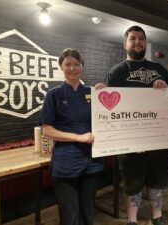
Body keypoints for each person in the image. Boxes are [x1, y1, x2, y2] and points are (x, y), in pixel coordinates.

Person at [104, 25, 168, 225]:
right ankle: (132, 220)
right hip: (131, 143)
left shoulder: (159, 69)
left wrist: (167, 87)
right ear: (125, 43)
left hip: (158, 140)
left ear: (145, 42)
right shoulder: (117, 72)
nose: (137, 42)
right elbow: (109, 109)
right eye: (133, 38)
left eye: (141, 39)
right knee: (132, 185)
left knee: (157, 182)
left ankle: (157, 216)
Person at [39, 48, 104, 225]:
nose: (73, 68)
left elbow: (108, 118)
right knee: (70, 215)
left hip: (92, 161)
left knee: (88, 211)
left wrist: (104, 94)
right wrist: (78, 137)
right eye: (68, 64)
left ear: (82, 66)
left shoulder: (92, 92)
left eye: (76, 64)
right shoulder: (54, 94)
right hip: (65, 162)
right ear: (61, 66)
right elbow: (47, 130)